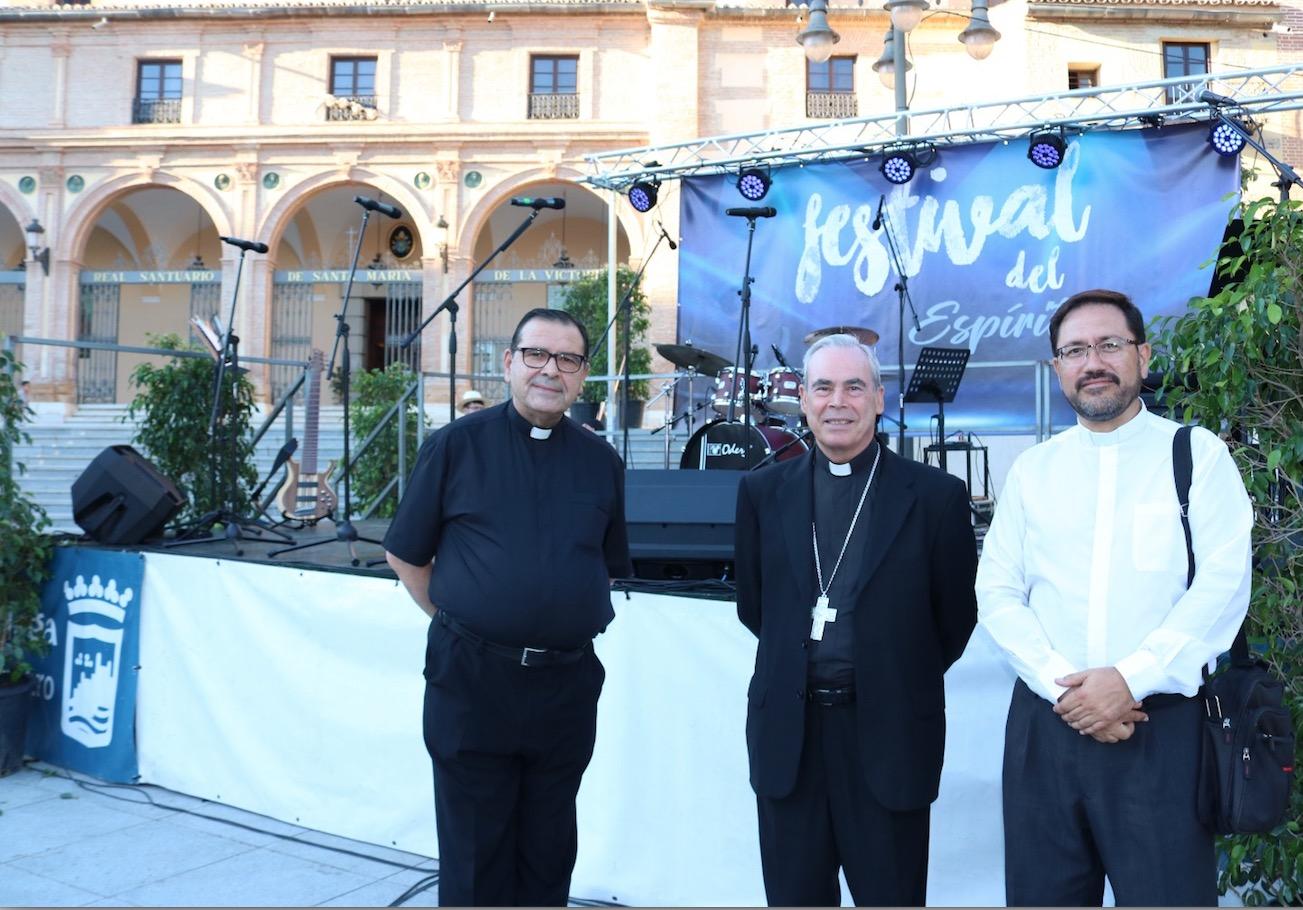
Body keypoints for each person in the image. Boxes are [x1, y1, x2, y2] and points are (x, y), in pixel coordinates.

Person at [975, 288, 1252, 906]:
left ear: (1143, 357)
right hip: (1047, 731)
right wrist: (1064, 688)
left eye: (1109, 345)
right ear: (1057, 370)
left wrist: (1128, 679)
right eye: (1074, 350)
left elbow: (1223, 586)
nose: (1092, 361)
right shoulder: (1033, 470)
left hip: (1161, 730)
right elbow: (995, 591)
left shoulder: (1195, 456)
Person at [384, 308, 632, 906]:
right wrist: (461, 623)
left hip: (565, 687)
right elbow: (406, 557)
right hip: (473, 681)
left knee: (549, 854)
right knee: (474, 858)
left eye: (568, 359)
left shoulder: (602, 463)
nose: (551, 370)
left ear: (582, 375)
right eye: (537, 355)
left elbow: (603, 561)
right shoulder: (453, 447)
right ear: (509, 364)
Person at [734, 333, 978, 906]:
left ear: (878, 398)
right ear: (803, 400)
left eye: (853, 386)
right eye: (822, 387)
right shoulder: (761, 492)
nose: (836, 401)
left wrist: (890, 668)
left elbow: (955, 620)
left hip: (888, 736)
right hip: (790, 741)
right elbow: (756, 607)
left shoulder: (937, 496)